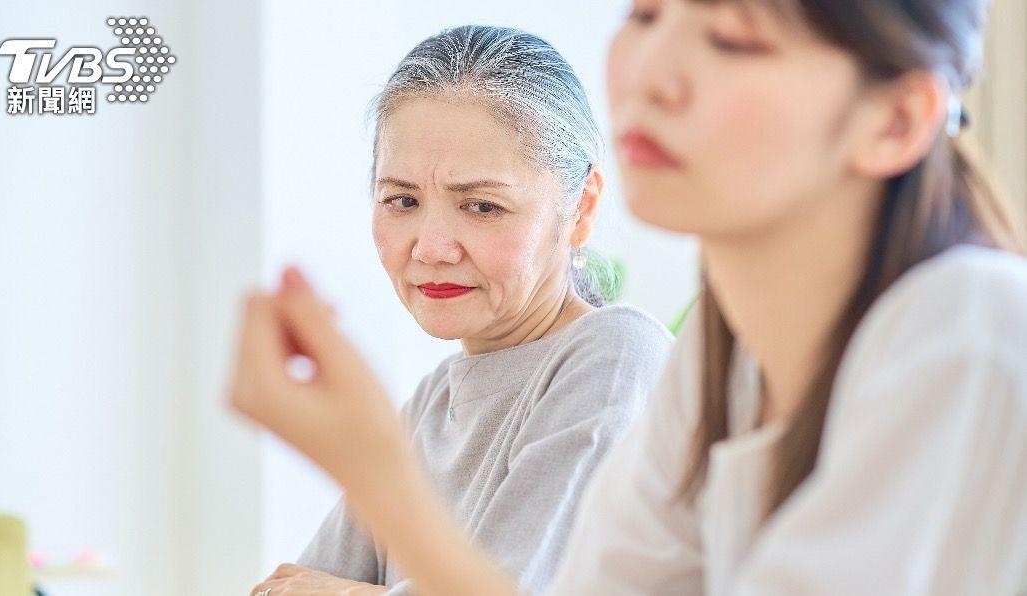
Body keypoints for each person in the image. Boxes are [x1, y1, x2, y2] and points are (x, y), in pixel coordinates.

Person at [230, 1, 1027, 594]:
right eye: (647, 15)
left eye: (733, 38)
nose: (652, 74)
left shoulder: (968, 336)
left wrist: (379, 478)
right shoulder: (720, 365)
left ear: (895, 119)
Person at [249, 25, 673, 596]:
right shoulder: (430, 404)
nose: (430, 247)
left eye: (482, 205)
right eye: (402, 200)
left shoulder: (618, 355)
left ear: (581, 208)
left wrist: (344, 591)